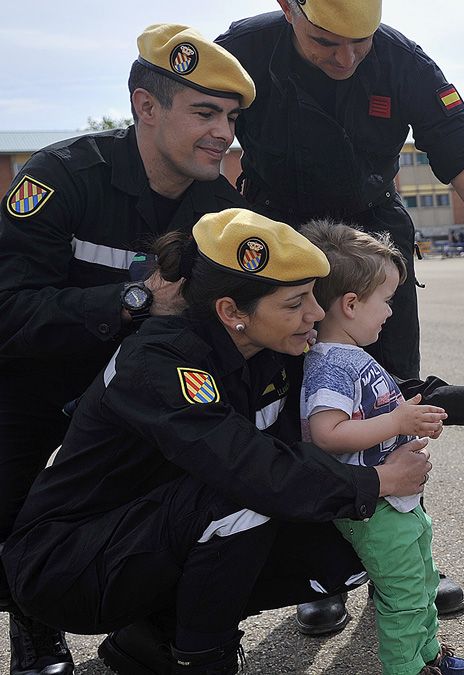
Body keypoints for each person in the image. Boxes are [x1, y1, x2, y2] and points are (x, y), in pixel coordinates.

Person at [0, 208, 464, 675]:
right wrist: (375, 480)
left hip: (151, 535)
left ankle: (150, 642)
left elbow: (374, 392)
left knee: (346, 546)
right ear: (231, 312)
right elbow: (249, 468)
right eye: (296, 304)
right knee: (250, 498)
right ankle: (203, 659)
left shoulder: (270, 348)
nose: (317, 314)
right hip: (72, 563)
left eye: (313, 297)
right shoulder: (161, 362)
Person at [216, 0, 464, 628]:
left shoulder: (404, 64)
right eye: (325, 43)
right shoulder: (244, 48)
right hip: (278, 245)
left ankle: (398, 557)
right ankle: (319, 567)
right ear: (290, 10)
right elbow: (201, 144)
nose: (346, 59)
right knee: (296, 409)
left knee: (388, 400)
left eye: (360, 44)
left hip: (370, 247)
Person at [0, 24, 254, 674]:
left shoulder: (217, 207)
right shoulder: (60, 176)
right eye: (204, 112)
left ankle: (154, 631)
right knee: (14, 508)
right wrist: (131, 299)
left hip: (137, 391)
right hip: (31, 380)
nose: (223, 132)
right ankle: (36, 630)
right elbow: (8, 309)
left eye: (228, 116)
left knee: (176, 493)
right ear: (146, 105)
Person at [301, 220, 464, 675]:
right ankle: (406, 667)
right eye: (386, 302)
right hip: (373, 508)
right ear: (350, 304)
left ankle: (429, 653)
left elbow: (370, 416)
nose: (391, 313)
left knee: (422, 579)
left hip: (396, 501)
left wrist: (409, 415)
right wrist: (396, 420)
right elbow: (327, 432)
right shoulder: (332, 363)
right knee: (405, 592)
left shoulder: (352, 355)